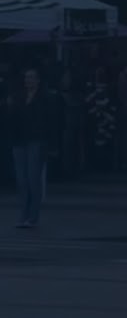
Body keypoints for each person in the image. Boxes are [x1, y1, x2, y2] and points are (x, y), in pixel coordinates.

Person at [9, 68, 58, 229]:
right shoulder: (18, 97)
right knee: (22, 180)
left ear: (38, 80)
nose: (28, 80)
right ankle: (23, 214)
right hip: (19, 141)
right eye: (26, 77)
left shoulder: (46, 98)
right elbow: (12, 118)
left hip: (37, 141)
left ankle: (32, 216)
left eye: (31, 77)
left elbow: (51, 121)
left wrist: (52, 144)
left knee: (33, 179)